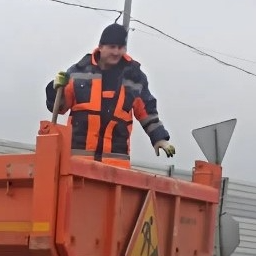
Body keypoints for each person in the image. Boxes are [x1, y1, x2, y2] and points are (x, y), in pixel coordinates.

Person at [45, 22, 175, 167]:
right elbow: (59, 107)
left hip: (116, 165)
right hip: (78, 162)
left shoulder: (134, 77)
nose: (116, 52)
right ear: (100, 47)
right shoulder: (78, 72)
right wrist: (55, 89)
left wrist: (159, 138)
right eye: (112, 47)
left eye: (121, 47)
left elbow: (147, 112)